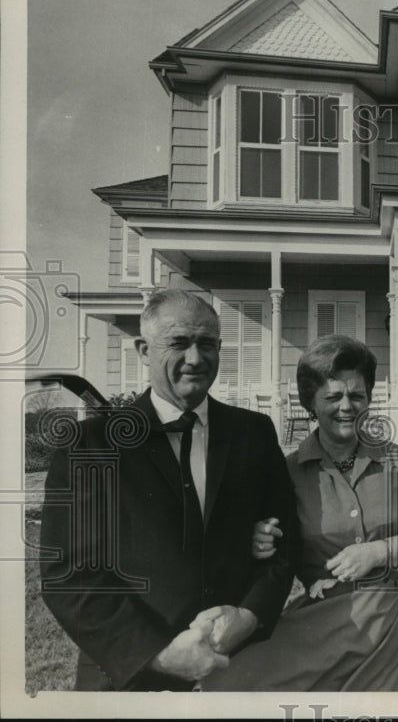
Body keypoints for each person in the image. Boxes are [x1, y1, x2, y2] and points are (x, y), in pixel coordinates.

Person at [40, 289, 296, 691]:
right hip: (130, 681)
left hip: (238, 671)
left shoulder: (253, 433)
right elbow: (68, 574)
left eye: (207, 343)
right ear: (143, 350)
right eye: (178, 342)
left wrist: (248, 615)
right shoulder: (90, 444)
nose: (195, 358)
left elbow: (285, 541)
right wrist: (159, 653)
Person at [199, 334, 398, 691]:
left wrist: (378, 551)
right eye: (333, 397)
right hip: (319, 618)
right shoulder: (287, 472)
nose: (347, 406)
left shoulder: (397, 461)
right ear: (310, 402)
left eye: (357, 395)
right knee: (227, 683)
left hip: (390, 618)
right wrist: (256, 539)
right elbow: (271, 551)